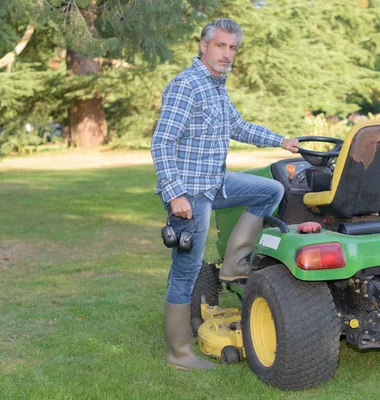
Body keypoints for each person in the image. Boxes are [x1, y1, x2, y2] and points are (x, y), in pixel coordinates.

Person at [150, 18, 300, 370]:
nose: (227, 54)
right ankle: (180, 353)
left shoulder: (217, 87)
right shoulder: (186, 86)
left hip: (215, 182)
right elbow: (161, 142)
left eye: (232, 48)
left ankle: (234, 264)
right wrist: (175, 195)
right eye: (220, 46)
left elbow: (239, 126)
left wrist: (280, 140)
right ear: (204, 46)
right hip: (190, 193)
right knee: (186, 270)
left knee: (271, 190)